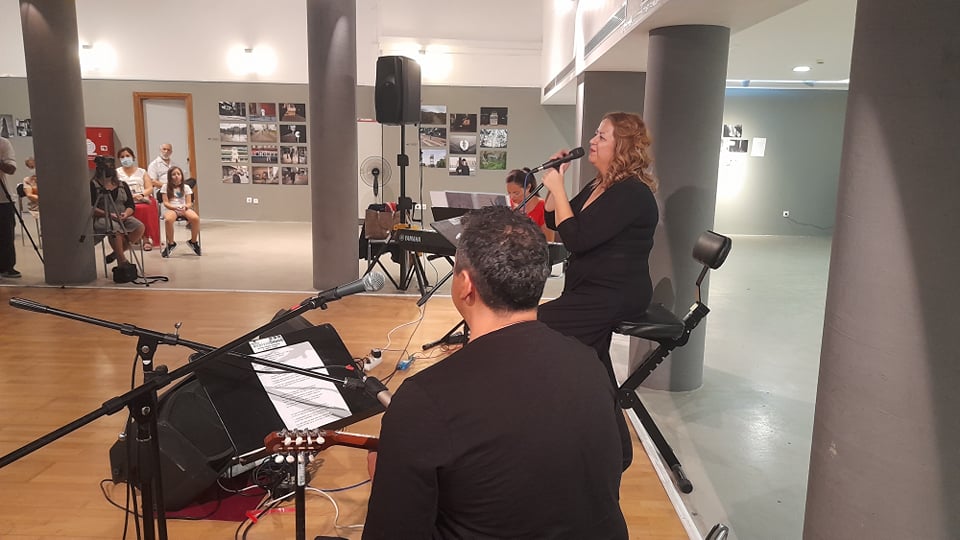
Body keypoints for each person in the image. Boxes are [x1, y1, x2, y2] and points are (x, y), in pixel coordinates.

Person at [363, 206, 630, 539]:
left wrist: (387, 481)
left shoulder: (424, 399)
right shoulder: (589, 363)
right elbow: (621, 459)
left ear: (465, 285)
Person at [538, 112, 659, 387]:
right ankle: (603, 405)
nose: (592, 141)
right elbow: (555, 220)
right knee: (589, 358)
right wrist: (557, 181)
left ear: (622, 147)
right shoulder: (599, 185)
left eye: (601, 137)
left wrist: (559, 190)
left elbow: (576, 240)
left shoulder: (632, 193)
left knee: (539, 324)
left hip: (615, 294)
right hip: (589, 288)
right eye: (595, 134)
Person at [90, 163, 145, 267]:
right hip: (103, 216)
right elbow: (91, 207)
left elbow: (130, 205)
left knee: (139, 226)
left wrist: (126, 213)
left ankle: (116, 254)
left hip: (122, 215)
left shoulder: (122, 185)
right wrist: (109, 215)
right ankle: (122, 261)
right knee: (114, 228)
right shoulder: (93, 185)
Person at [115, 147, 160, 251]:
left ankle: (146, 238)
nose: (125, 158)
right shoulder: (116, 173)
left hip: (141, 197)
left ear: (133, 157)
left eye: (127, 156)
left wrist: (142, 195)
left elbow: (149, 188)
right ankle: (132, 236)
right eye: (122, 157)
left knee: (145, 208)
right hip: (124, 199)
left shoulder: (142, 172)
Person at [160, 166, 200, 257]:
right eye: (173, 174)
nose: (176, 176)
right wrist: (174, 208)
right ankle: (171, 243)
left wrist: (185, 207)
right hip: (171, 208)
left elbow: (189, 203)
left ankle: (193, 241)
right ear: (170, 177)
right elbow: (166, 202)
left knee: (195, 218)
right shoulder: (165, 187)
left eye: (178, 174)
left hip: (184, 208)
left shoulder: (186, 187)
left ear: (181, 176)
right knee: (168, 220)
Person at [505, 167, 554, 241]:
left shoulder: (542, 207)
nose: (512, 197)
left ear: (528, 187)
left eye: (516, 193)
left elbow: (549, 240)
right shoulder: (508, 204)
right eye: (509, 193)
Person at [0, 135, 19, 278]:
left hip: (2, 199)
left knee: (6, 235)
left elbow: (11, 169)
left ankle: (7, 267)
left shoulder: (3, 143)